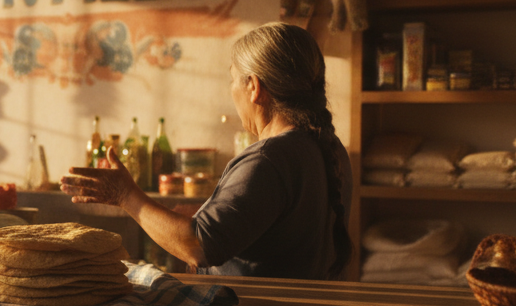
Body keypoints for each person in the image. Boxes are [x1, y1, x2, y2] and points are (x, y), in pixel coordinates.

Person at [61, 22, 352, 280]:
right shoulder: (329, 148)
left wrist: (126, 196)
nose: (231, 90)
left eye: (232, 79)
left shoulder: (269, 160)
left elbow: (197, 246)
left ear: (253, 87)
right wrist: (202, 215)